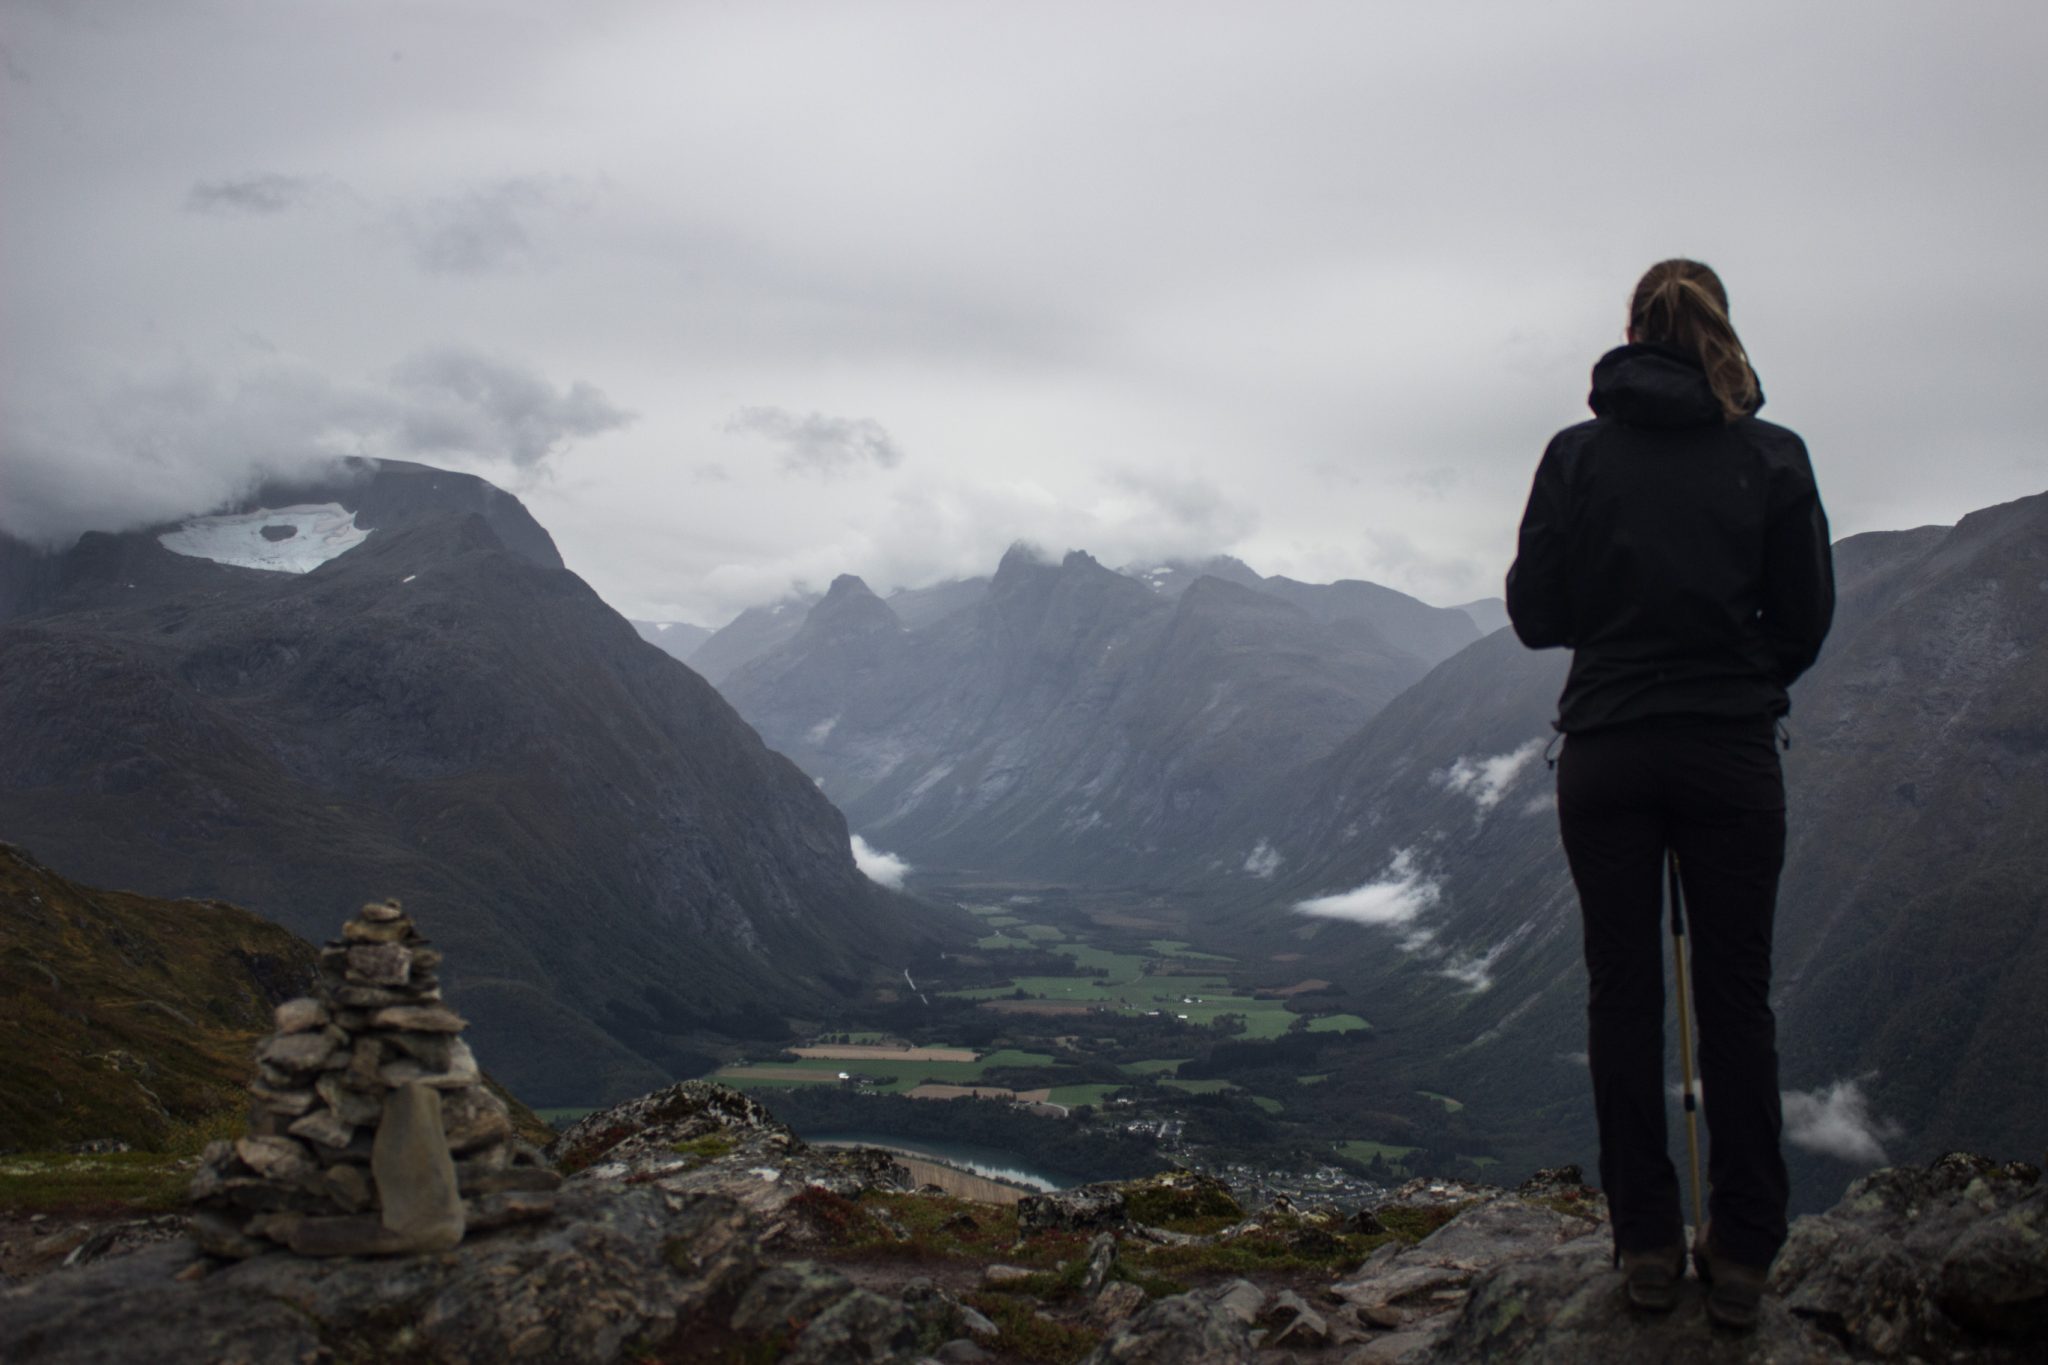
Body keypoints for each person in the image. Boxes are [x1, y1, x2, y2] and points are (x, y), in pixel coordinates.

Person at [1504, 259, 1834, 1329]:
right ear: (1718, 330)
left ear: (1630, 334)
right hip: (1729, 753)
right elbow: (1804, 617)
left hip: (1606, 748)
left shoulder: (1575, 457)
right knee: (1734, 998)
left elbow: (1535, 615)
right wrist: (1737, 681)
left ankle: (1643, 1244)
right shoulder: (1770, 457)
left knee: (1621, 994)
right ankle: (1739, 1253)